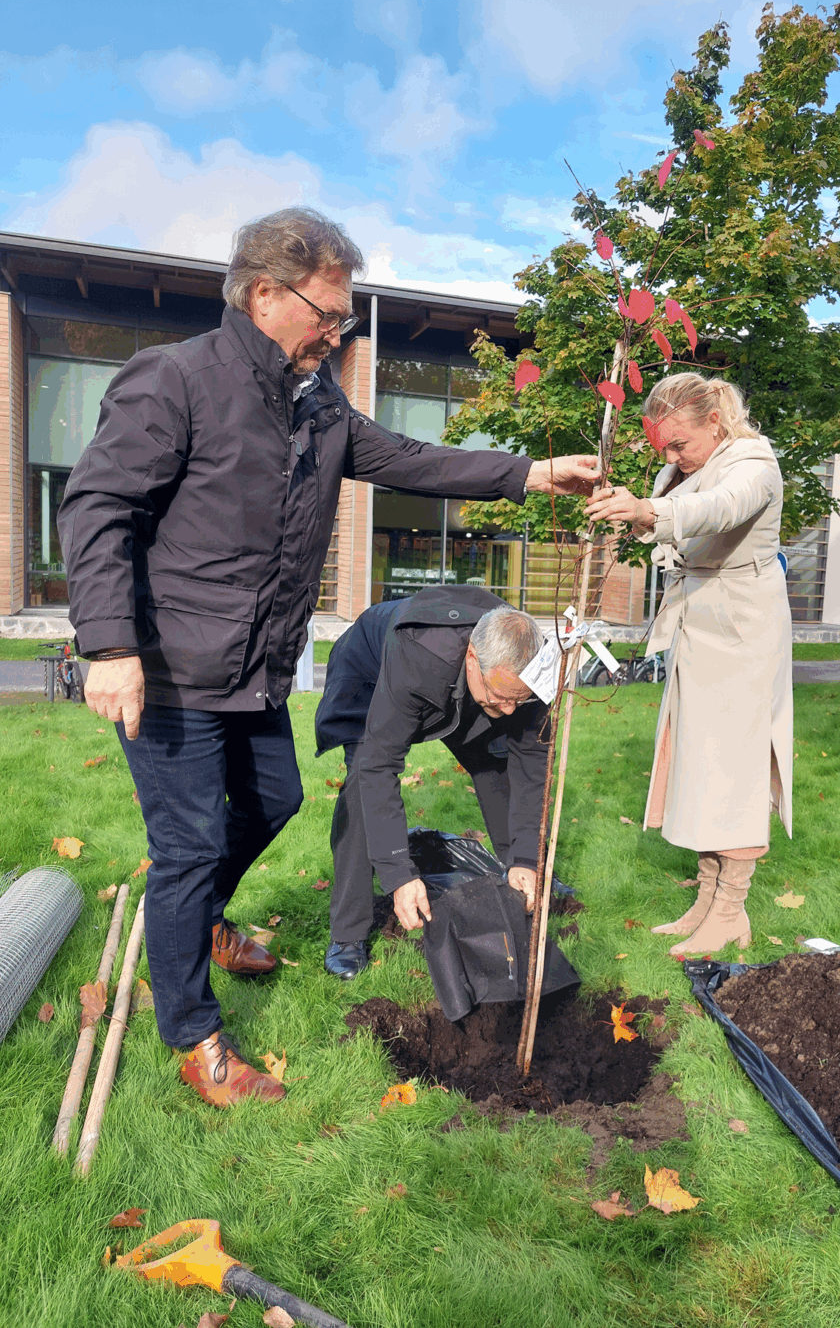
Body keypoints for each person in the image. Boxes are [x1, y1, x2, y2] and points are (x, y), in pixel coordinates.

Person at [57, 206, 599, 1109]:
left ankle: (195, 921)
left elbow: (413, 459)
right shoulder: (177, 380)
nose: (337, 331)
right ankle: (195, 1034)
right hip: (172, 668)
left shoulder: (318, 409)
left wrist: (533, 474)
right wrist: (110, 643)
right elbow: (95, 506)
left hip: (255, 671)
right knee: (187, 842)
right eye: (327, 312)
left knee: (275, 798)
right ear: (265, 294)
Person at [587, 372, 792, 956]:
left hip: (743, 631)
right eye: (664, 447)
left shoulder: (754, 462)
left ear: (716, 422)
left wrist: (649, 511)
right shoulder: (683, 469)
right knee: (700, 767)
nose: (671, 456)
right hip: (698, 626)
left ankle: (732, 912)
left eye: (679, 443)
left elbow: (722, 509)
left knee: (736, 772)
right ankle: (706, 900)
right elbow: (679, 519)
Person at [314, 587, 546, 979]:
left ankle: (518, 872)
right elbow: (379, 767)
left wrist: (527, 855)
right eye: (501, 697)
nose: (509, 709)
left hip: (458, 679)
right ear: (473, 659)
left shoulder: (529, 665)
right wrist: (399, 876)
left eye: (518, 700)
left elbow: (531, 762)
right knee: (360, 783)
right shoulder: (419, 655)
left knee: (494, 761)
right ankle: (347, 932)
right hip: (370, 670)